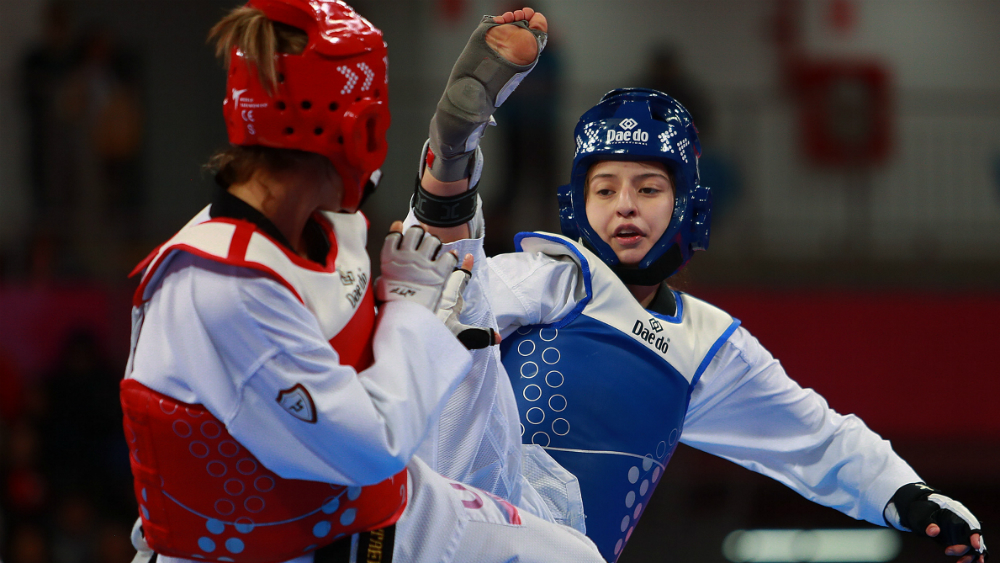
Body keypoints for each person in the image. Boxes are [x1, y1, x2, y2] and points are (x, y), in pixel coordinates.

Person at [408, 82, 989, 563]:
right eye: (604, 189)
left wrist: (906, 493)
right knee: (454, 297)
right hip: (448, 524)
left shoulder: (705, 343)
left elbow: (816, 438)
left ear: (689, 206)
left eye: (649, 188)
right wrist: (449, 171)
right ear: (576, 209)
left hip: (554, 555)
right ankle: (451, 162)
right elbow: (434, 302)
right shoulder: (543, 279)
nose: (624, 206)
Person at [119, 1, 602, 562]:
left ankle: (452, 165)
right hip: (275, 542)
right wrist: (414, 309)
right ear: (360, 128)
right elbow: (376, 444)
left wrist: (423, 305)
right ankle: (451, 164)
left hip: (358, 509)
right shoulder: (223, 289)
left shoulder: (319, 222)